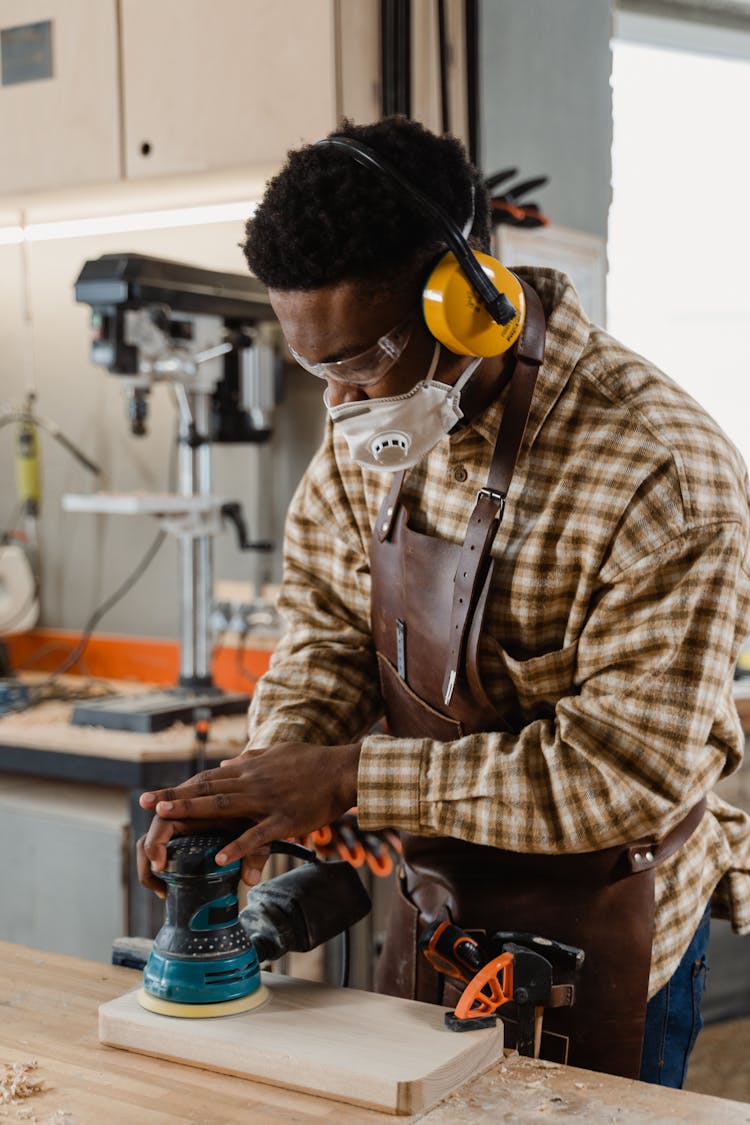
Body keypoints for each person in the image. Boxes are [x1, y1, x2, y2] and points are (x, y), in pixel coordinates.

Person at [137, 116, 750, 1085]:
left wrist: (347, 780)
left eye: (356, 362)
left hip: (607, 922)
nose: (338, 407)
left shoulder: (661, 472)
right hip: (436, 907)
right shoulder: (368, 438)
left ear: (470, 306)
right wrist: (259, 789)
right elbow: (329, 638)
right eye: (315, 367)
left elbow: (619, 777)